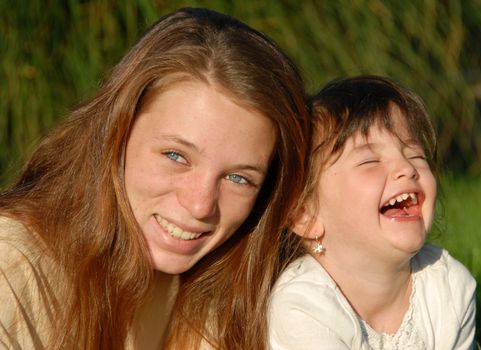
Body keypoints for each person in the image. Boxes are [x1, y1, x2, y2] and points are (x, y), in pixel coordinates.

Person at [0, 7, 310, 349]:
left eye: (238, 178)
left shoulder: (227, 282)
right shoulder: (11, 267)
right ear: (117, 132)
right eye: (176, 156)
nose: (199, 205)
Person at [268, 76, 476, 349]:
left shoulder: (449, 286)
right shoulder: (302, 305)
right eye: (370, 160)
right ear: (304, 216)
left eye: (415, 155)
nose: (406, 167)